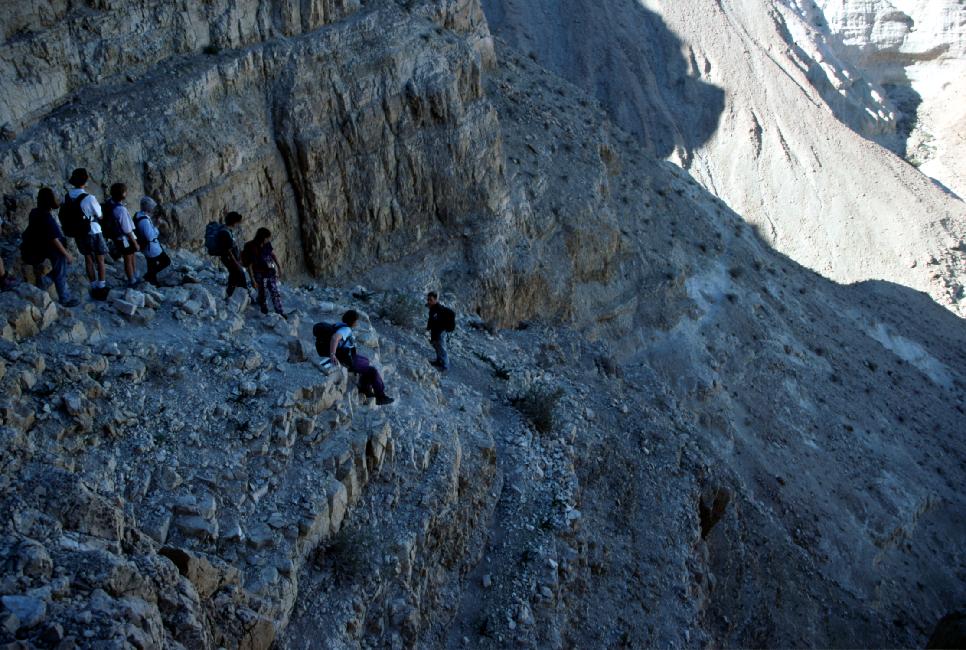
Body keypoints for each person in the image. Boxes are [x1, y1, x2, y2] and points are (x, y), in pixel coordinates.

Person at [328, 310, 394, 406]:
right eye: (356, 321)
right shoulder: (346, 329)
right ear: (352, 321)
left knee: (366, 362)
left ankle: (365, 388)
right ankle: (380, 396)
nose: (357, 323)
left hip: (346, 355)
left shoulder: (339, 325)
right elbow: (335, 338)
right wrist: (332, 354)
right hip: (346, 359)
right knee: (373, 371)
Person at [26, 187, 79, 306]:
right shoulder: (47, 218)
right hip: (51, 248)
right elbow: (54, 239)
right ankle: (64, 298)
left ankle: (46, 281)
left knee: (60, 270)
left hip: (38, 246)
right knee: (61, 271)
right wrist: (66, 254)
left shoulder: (34, 212)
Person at [61, 168, 108, 295]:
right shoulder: (89, 198)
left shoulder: (67, 196)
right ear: (85, 181)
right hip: (93, 230)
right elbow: (100, 215)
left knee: (88, 259)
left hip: (78, 232)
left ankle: (93, 286)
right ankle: (102, 286)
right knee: (100, 259)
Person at [103, 183, 141, 287]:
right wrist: (135, 242)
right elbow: (127, 229)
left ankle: (133, 275)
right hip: (125, 239)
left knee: (130, 256)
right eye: (125, 191)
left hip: (118, 237)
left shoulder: (110, 204)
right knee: (128, 259)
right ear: (123, 194)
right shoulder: (121, 210)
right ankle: (132, 279)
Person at [241, 227, 284, 316]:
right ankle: (263, 310)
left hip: (270, 272)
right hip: (259, 274)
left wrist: (279, 268)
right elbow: (250, 264)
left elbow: (272, 255)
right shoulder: (251, 246)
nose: (269, 240)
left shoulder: (267, 245)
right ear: (263, 237)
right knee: (262, 293)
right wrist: (253, 279)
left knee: (275, 292)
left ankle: (280, 312)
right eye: (268, 238)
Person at [134, 197, 170, 285]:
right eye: (152, 207)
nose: (153, 209)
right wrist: (157, 226)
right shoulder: (144, 221)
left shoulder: (139, 215)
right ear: (148, 207)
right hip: (151, 248)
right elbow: (150, 236)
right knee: (164, 262)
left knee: (153, 265)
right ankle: (150, 280)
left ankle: (150, 278)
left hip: (150, 247)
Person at [219, 211, 248, 302]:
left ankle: (229, 294)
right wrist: (236, 262)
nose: (238, 224)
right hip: (229, 259)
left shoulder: (227, 230)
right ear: (234, 222)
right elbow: (228, 251)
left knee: (234, 275)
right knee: (240, 274)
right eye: (238, 222)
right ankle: (243, 294)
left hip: (230, 259)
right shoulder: (226, 233)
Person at [425, 291, 453, 371]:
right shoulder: (433, 308)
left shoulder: (439, 309)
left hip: (440, 332)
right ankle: (439, 361)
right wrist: (428, 328)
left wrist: (442, 329)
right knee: (437, 347)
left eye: (431, 300)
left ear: (436, 299)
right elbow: (431, 320)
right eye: (428, 300)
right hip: (436, 332)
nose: (429, 301)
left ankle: (445, 367)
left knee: (442, 348)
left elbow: (439, 321)